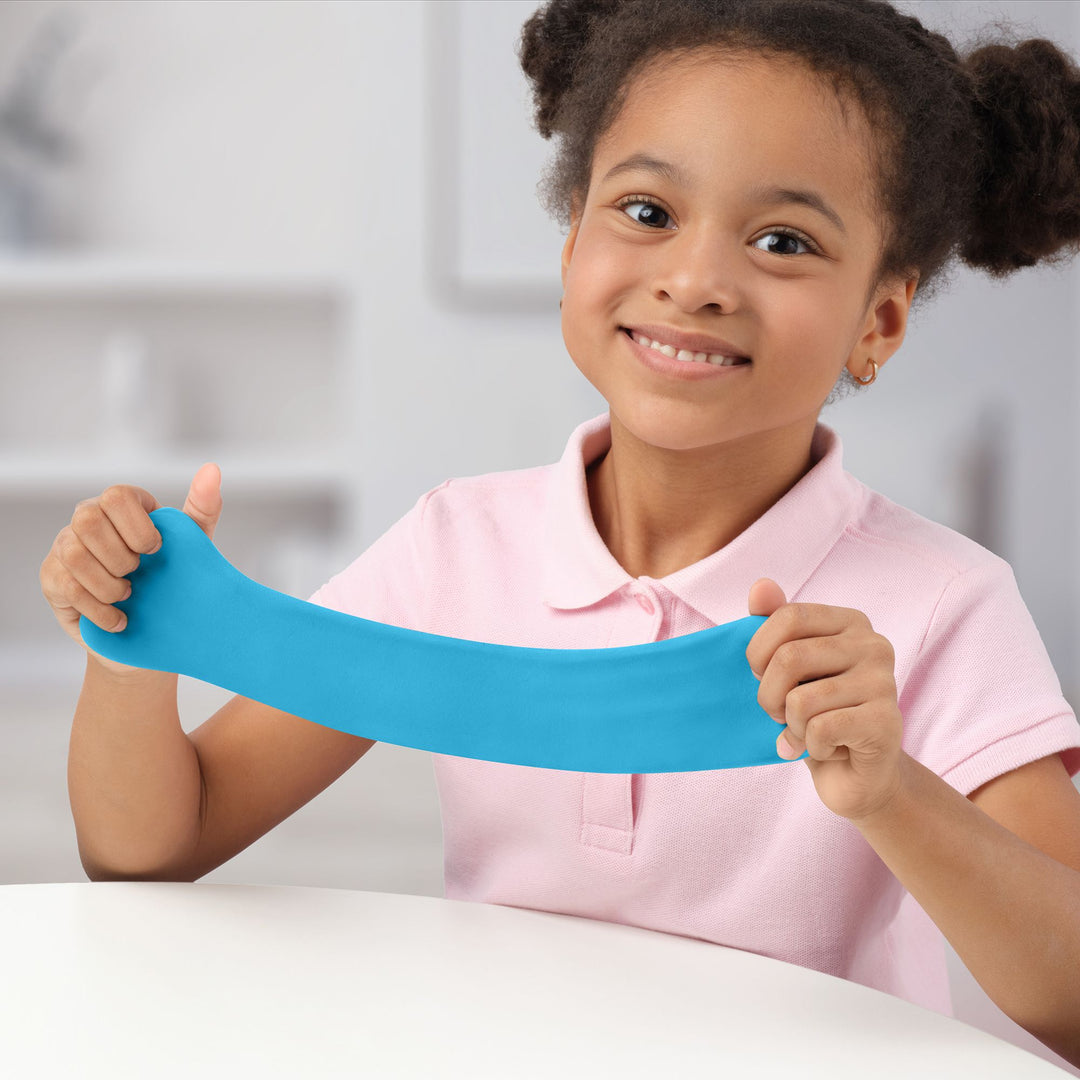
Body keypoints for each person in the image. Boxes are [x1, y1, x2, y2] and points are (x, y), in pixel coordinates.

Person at [39, 0, 1080, 1064]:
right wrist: (134, 651)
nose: (694, 281)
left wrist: (892, 791)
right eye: (646, 212)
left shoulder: (942, 604)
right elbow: (152, 852)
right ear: (574, 234)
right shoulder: (457, 547)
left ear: (881, 320)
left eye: (782, 240)